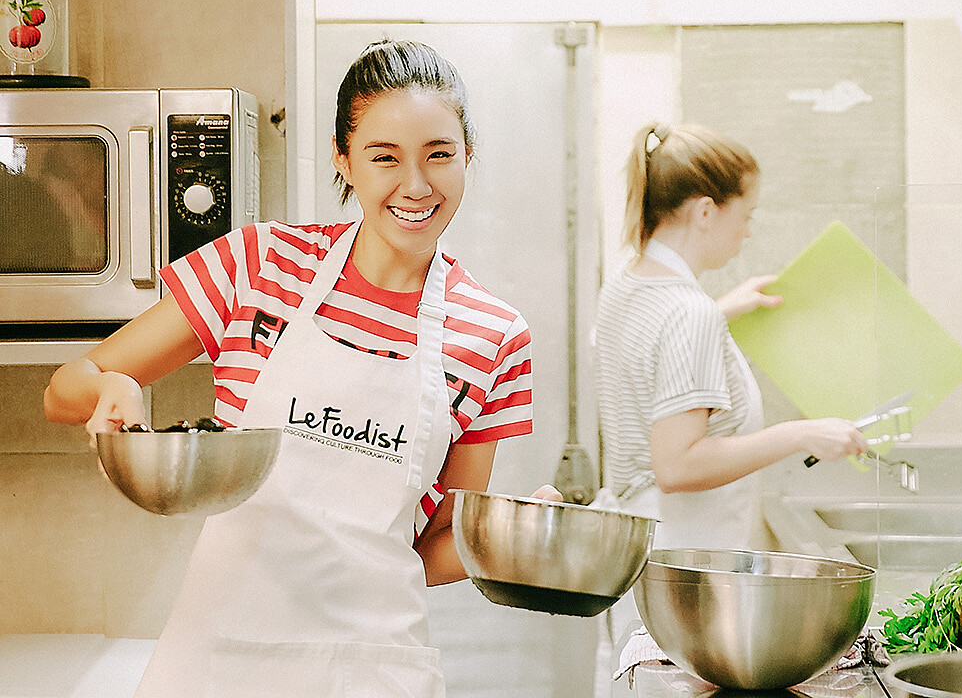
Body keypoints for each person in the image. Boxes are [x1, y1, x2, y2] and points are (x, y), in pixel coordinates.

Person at [43, 39, 553, 698]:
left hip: (376, 670)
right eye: (384, 157)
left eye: (439, 155)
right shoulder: (262, 266)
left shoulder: (496, 337)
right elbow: (66, 387)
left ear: (468, 154)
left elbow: (432, 546)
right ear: (343, 158)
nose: (417, 185)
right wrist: (113, 383)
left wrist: (514, 541)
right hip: (221, 661)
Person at [591, 122, 870, 685]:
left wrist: (719, 312)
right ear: (704, 212)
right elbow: (678, 464)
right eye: (746, 215)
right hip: (685, 573)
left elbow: (654, 357)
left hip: (637, 560)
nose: (747, 233)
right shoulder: (686, 313)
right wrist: (800, 434)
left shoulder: (628, 282)